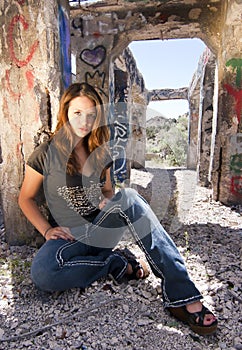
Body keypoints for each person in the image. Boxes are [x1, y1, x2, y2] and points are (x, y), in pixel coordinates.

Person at [18, 82, 217, 336]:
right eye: (77, 113)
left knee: (130, 197)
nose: (84, 121)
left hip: (102, 227)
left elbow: (109, 190)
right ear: (65, 113)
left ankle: (183, 295)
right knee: (44, 273)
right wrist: (46, 231)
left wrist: (107, 199)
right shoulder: (45, 154)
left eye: (91, 115)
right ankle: (115, 263)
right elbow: (26, 198)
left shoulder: (101, 152)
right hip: (71, 236)